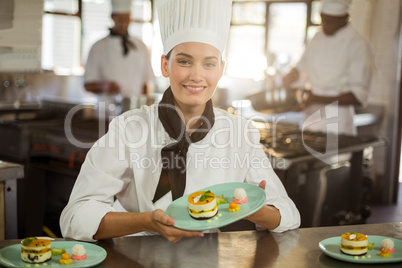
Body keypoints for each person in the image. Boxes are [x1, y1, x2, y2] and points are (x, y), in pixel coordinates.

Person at [60, 0, 300, 243]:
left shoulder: (240, 132)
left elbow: (289, 214)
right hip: (135, 253)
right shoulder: (129, 129)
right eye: (184, 61)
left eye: (209, 64)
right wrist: (145, 220)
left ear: (221, 69)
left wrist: (254, 209)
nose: (196, 75)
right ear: (165, 65)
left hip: (207, 258)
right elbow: (74, 218)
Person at [282, 0, 373, 135]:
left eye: (329, 21)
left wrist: (315, 98)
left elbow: (358, 97)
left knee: (334, 155)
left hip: (338, 125)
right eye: (322, 19)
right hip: (310, 121)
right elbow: (301, 67)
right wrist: (292, 75)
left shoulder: (358, 45)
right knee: (307, 154)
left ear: (345, 18)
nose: (324, 25)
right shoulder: (317, 38)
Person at [84, 0, 155, 98]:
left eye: (127, 19)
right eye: (120, 19)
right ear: (112, 17)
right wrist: (104, 86)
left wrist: (144, 106)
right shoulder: (98, 47)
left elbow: (145, 83)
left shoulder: (140, 46)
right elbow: (87, 85)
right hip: (107, 109)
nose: (124, 24)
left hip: (134, 110)